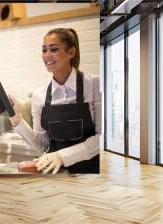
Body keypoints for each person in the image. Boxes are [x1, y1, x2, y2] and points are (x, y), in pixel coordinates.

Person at [8, 28, 101, 174]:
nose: (47, 55)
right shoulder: (39, 95)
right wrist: (16, 118)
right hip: (55, 175)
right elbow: (42, 145)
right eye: (44, 50)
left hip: (90, 174)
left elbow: (102, 139)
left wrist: (62, 156)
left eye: (53, 49)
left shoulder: (94, 84)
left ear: (71, 52)